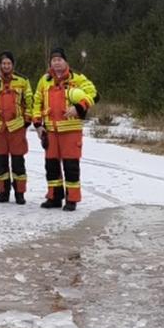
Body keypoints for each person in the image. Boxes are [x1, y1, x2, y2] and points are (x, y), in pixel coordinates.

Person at [34, 47, 96, 212]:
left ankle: (72, 199)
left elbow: (94, 94)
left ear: (65, 61)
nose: (56, 63)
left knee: (71, 167)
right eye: (53, 60)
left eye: (59, 60)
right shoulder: (44, 80)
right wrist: (38, 125)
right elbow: (37, 102)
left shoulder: (78, 78)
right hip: (51, 131)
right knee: (51, 166)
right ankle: (54, 197)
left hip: (71, 131)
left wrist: (79, 107)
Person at [0, 51, 35, 204]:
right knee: (1, 162)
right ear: (0, 65)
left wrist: (27, 120)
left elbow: (29, 102)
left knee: (18, 162)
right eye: (4, 63)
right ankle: (3, 192)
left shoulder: (23, 81)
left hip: (17, 127)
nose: (6, 66)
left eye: (9, 63)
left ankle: (20, 193)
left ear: (13, 65)